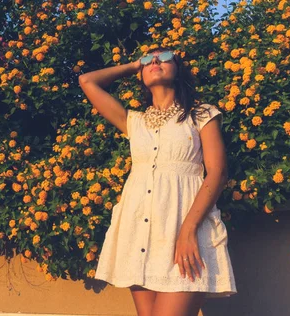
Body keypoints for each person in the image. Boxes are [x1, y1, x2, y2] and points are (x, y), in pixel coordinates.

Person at [78, 47, 237, 316]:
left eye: (164, 58)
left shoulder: (200, 115)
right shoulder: (134, 121)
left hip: (184, 231)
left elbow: (218, 172)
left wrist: (188, 231)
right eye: (148, 60)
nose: (155, 62)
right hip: (139, 234)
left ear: (177, 70)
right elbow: (87, 81)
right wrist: (132, 65)